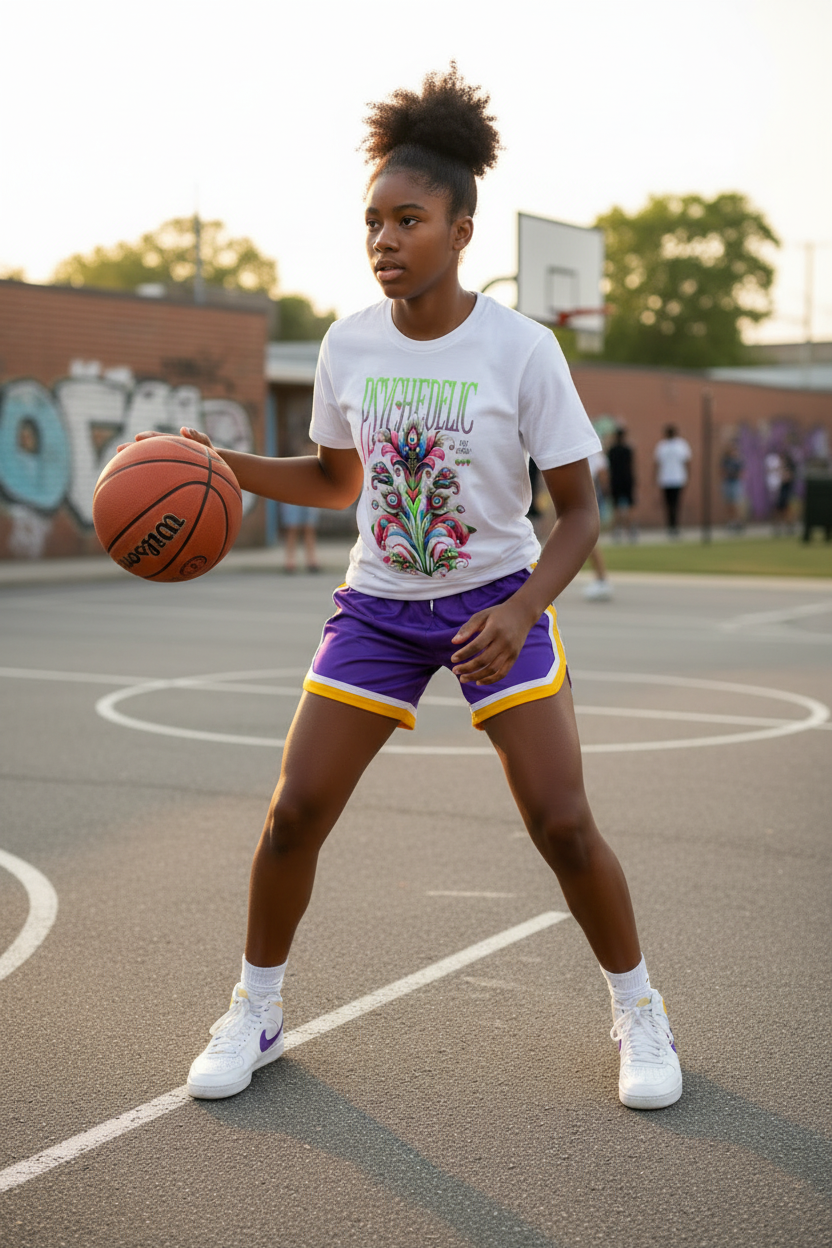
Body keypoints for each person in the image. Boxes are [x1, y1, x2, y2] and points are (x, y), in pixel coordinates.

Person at [133, 67, 681, 1111]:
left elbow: (578, 513)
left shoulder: (523, 350)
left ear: (460, 231)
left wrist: (522, 608)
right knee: (292, 812)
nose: (384, 239)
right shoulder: (349, 341)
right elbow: (340, 481)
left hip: (494, 602)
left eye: (408, 219)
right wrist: (222, 466)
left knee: (562, 823)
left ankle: (640, 1008)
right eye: (372, 221)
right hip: (378, 605)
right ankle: (256, 1007)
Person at [280, 442, 321, 572]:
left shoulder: (317, 465)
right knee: (292, 529)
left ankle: (311, 560)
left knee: (309, 529)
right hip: (294, 498)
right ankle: (290, 561)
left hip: (310, 499)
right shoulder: (293, 465)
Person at [584, 449, 614, 600]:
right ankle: (601, 579)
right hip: (583, 495)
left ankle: (602, 580)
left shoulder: (590, 448)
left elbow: (601, 473)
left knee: (588, 539)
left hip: (586, 496)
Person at [654, 424, 692, 538]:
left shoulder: (677, 445)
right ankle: (672, 526)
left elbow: (687, 462)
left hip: (674, 478)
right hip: (670, 478)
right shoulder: (664, 446)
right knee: (670, 504)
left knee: (673, 504)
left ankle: (673, 525)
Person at [607, 426, 637, 542]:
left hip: (615, 480)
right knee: (630, 505)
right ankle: (631, 530)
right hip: (627, 479)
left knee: (616, 506)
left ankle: (617, 530)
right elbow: (631, 466)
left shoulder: (612, 450)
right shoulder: (628, 450)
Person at [719, 439, 744, 532]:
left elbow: (742, 473)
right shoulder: (725, 460)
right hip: (727, 483)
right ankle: (730, 522)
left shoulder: (738, 460)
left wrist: (734, 474)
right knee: (728, 504)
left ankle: (738, 522)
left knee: (736, 503)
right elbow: (722, 471)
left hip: (735, 483)